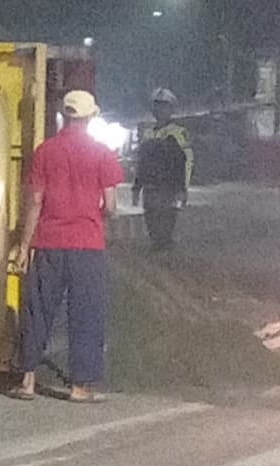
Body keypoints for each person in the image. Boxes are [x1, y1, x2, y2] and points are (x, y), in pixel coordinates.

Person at [10, 89, 125, 402]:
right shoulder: (103, 154)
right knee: (86, 314)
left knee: (38, 310)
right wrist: (94, 214)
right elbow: (112, 205)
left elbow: (34, 201)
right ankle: (80, 386)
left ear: (65, 116)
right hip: (87, 245)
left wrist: (24, 245)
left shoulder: (45, 151)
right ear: (90, 118)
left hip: (49, 242)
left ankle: (27, 380)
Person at [132, 87, 194, 251]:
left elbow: (186, 162)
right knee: (152, 227)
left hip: (168, 189)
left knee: (165, 230)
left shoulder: (178, 133)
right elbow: (142, 163)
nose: (160, 109)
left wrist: (183, 188)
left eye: (164, 106)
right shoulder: (147, 134)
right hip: (150, 190)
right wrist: (136, 187)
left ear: (171, 109)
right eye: (157, 105)